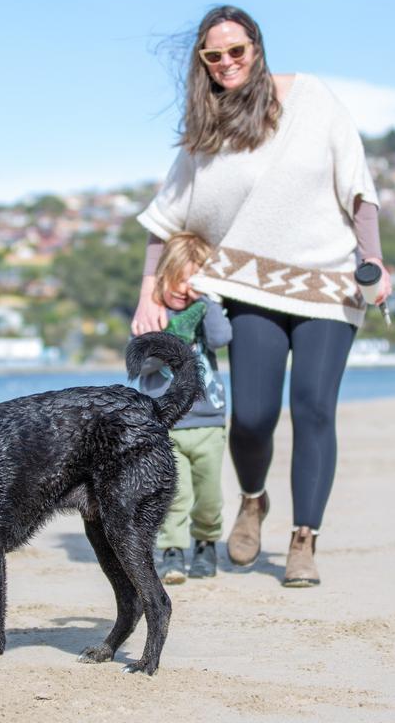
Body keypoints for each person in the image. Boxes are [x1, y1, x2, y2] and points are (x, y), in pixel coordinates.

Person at [131, 5, 392, 588]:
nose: (227, 63)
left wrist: (372, 258)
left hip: (328, 285)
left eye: (237, 51)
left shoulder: (313, 99)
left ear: (257, 47)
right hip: (248, 287)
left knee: (313, 407)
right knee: (251, 418)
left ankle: (305, 540)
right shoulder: (207, 134)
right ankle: (253, 499)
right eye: (214, 56)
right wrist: (147, 295)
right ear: (203, 62)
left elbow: (359, 188)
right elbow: (164, 220)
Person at [138, 232, 231, 585]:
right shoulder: (152, 312)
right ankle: (172, 551)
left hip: (209, 422)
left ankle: (206, 542)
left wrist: (206, 302)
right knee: (175, 493)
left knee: (209, 495)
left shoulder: (205, 310)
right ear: (162, 275)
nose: (183, 286)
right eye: (177, 276)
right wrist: (171, 335)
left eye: (193, 278)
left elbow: (222, 339)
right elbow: (142, 364)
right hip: (167, 425)